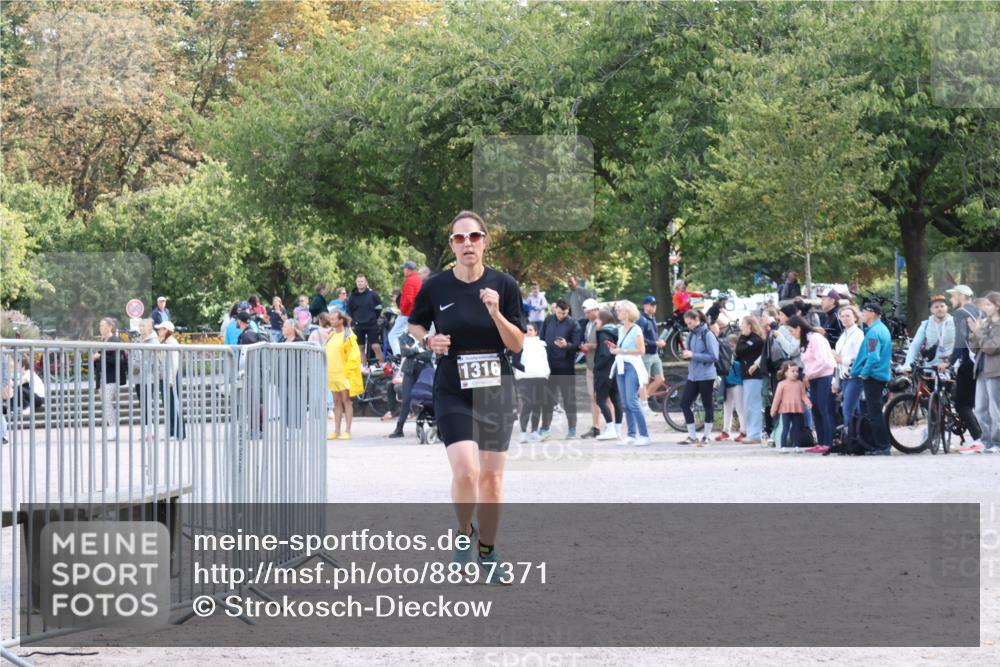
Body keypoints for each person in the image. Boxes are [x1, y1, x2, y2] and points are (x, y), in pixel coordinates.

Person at [407, 210, 526, 584]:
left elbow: (518, 343)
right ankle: (464, 532)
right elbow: (415, 323)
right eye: (460, 239)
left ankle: (488, 551)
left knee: (491, 479)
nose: (468, 244)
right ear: (452, 246)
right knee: (466, 470)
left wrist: (495, 313)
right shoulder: (437, 286)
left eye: (474, 237)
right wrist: (428, 339)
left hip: (496, 388)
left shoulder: (504, 285)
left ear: (485, 240)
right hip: (453, 386)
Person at [941, 285, 985, 451]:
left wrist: (949, 362)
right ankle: (987, 438)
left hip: (969, 363)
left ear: (960, 296)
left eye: (953, 296)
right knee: (980, 402)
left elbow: (961, 340)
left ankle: (979, 439)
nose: (951, 300)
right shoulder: (979, 310)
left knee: (961, 404)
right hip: (984, 361)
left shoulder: (960, 313)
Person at [788, 315, 836, 454]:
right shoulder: (804, 341)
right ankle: (820, 441)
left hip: (825, 376)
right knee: (815, 409)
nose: (791, 334)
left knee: (824, 408)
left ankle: (828, 442)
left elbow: (823, 361)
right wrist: (807, 375)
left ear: (798, 328)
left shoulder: (815, 338)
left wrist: (809, 374)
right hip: (814, 377)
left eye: (792, 331)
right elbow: (807, 362)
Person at [605, 300, 650, 445]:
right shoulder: (620, 329)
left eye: (620, 310)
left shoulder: (636, 329)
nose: (618, 312)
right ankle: (631, 434)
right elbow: (622, 347)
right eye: (617, 310)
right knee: (625, 402)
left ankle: (644, 435)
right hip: (621, 365)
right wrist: (615, 349)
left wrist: (621, 350)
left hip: (632, 366)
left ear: (628, 312)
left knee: (632, 401)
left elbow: (641, 351)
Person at [851, 302, 893, 455]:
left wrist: (864, 373)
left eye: (864, 311)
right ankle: (881, 445)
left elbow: (873, 357)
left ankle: (882, 446)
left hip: (874, 376)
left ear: (872, 313)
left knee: (874, 413)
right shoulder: (882, 329)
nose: (862, 314)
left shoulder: (873, 333)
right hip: (880, 375)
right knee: (876, 412)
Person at [539, 298, 583, 439]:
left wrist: (567, 346)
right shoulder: (548, 320)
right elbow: (541, 339)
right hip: (548, 366)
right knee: (547, 399)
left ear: (568, 311)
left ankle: (572, 428)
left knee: (569, 399)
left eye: (563, 313)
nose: (561, 315)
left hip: (566, 367)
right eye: (558, 312)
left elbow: (577, 345)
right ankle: (545, 428)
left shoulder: (573, 324)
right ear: (555, 309)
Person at [678, 309, 720, 444]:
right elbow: (690, 352)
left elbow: (714, 356)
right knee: (685, 403)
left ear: (697, 320)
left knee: (708, 404)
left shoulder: (708, 334)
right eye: (687, 324)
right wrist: (686, 355)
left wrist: (693, 355)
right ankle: (692, 435)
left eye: (690, 323)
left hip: (706, 375)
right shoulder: (692, 334)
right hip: (693, 375)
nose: (688, 326)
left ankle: (706, 435)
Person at [966, 291, 1000, 453]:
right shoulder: (986, 324)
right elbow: (974, 347)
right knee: (980, 408)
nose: (985, 308)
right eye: (984, 305)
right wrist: (974, 332)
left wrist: (979, 332)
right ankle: (986, 441)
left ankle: (997, 442)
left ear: (997, 306)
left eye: (989, 305)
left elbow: (991, 348)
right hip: (980, 370)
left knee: (995, 409)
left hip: (995, 371)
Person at [388, 331, 434, 439]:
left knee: (427, 397)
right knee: (406, 399)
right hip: (409, 370)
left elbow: (428, 355)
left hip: (425, 369)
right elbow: (405, 352)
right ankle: (399, 429)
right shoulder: (404, 336)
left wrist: (412, 351)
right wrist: (418, 350)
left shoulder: (427, 336)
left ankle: (434, 425)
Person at [326, 310, 363, 440]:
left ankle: (347, 431)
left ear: (341, 320)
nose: (331, 321)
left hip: (343, 373)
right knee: (336, 402)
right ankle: (336, 430)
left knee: (346, 401)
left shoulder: (348, 335)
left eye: (333, 319)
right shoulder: (330, 335)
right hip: (332, 373)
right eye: (330, 319)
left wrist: (349, 371)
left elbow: (354, 354)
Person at [513, 323, 550, 442]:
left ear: (535, 332)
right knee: (527, 404)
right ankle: (523, 432)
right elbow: (515, 362)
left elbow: (544, 361)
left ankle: (534, 431)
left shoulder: (541, 345)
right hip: (525, 379)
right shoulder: (519, 344)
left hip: (540, 378)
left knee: (537, 405)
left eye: (530, 330)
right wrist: (527, 370)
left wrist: (544, 373)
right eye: (526, 330)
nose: (528, 332)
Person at [92, 317, 129, 439]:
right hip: (102, 378)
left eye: (103, 325)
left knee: (107, 403)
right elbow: (99, 361)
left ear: (110, 327)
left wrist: (99, 357)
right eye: (100, 325)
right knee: (105, 404)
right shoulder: (104, 341)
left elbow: (117, 360)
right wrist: (95, 359)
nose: (100, 328)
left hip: (111, 377)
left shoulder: (115, 341)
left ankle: (113, 429)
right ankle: (112, 428)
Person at [592, 309, 623, 440]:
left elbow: (604, 354)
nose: (595, 321)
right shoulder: (616, 332)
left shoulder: (603, 334)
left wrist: (596, 367)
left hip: (604, 372)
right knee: (616, 399)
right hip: (615, 370)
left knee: (600, 400)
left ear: (603, 320)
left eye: (597, 319)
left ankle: (610, 428)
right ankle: (618, 429)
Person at [903, 295, 955, 372]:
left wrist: (951, 361)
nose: (940, 309)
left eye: (942, 306)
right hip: (930, 368)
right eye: (936, 307)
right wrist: (907, 365)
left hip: (950, 367)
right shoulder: (926, 325)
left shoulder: (955, 323)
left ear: (947, 307)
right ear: (931, 310)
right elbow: (915, 346)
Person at [736, 315, 766, 444]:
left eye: (743, 323)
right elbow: (737, 353)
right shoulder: (747, 339)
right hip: (747, 376)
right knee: (748, 405)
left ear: (750, 326)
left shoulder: (756, 340)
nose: (741, 326)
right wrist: (743, 337)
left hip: (755, 376)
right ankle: (751, 432)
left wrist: (743, 337)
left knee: (753, 405)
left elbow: (741, 350)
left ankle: (755, 434)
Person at [832, 304, 865, 425]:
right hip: (843, 377)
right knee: (854, 410)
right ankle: (858, 438)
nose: (845, 318)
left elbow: (860, 358)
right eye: (842, 316)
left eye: (848, 316)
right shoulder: (843, 335)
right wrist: (835, 381)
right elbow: (837, 360)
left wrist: (842, 360)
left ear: (855, 318)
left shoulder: (858, 335)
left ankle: (849, 438)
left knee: (848, 410)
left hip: (855, 377)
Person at [770, 361, 813, 451]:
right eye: (792, 371)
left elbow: (803, 395)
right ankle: (783, 446)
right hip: (786, 409)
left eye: (797, 371)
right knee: (785, 428)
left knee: (796, 428)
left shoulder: (800, 384)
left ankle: (796, 445)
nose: (795, 373)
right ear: (785, 373)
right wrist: (773, 410)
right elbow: (777, 398)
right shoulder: (781, 384)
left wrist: (808, 403)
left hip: (797, 409)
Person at [129, 317, 159, 441]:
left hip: (148, 377)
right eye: (140, 326)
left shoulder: (153, 341)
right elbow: (134, 356)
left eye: (144, 326)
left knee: (147, 404)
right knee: (143, 404)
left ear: (150, 327)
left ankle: (150, 431)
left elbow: (153, 360)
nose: (141, 328)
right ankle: (147, 431)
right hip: (138, 377)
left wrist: (139, 366)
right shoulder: (138, 340)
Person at [154, 321, 185, 441]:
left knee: (173, 405)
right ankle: (173, 432)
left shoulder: (171, 343)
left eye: (160, 329)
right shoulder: (165, 342)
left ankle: (176, 432)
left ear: (166, 330)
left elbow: (174, 364)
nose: (158, 331)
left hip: (170, 377)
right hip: (166, 377)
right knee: (169, 405)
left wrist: (171, 381)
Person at [578, 298, 604, 438]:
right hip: (590, 365)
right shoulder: (588, 324)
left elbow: (607, 344)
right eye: (585, 313)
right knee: (593, 397)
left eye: (588, 312)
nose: (586, 315)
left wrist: (591, 346)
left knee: (605, 398)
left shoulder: (603, 323)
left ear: (595, 310)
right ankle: (596, 427)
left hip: (601, 365)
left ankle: (612, 426)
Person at [638, 296, 667, 417]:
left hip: (654, 353)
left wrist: (659, 341)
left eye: (655, 304)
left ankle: (641, 401)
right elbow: (640, 339)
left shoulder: (652, 318)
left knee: (660, 379)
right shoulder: (641, 320)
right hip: (646, 354)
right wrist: (656, 343)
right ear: (645, 306)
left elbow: (652, 336)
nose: (654, 306)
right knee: (644, 382)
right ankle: (644, 406)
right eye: (652, 304)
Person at [347, 273, 384, 366]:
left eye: (362, 281)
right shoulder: (352, 296)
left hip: (372, 324)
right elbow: (349, 311)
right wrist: (353, 321)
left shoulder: (373, 295)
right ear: (356, 283)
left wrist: (373, 318)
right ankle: (363, 368)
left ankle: (382, 367)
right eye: (358, 281)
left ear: (366, 282)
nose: (360, 283)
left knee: (375, 346)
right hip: (358, 325)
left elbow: (379, 308)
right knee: (360, 347)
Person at [387, 261, 423, 357]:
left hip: (407, 313)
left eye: (404, 268)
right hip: (415, 313)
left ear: (407, 269)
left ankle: (398, 357)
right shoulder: (418, 279)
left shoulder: (410, 280)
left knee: (392, 335)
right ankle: (408, 356)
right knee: (408, 336)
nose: (403, 270)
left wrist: (402, 310)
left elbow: (408, 299)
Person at [716, 334, 746, 442]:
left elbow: (741, 366)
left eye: (732, 346)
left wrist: (732, 361)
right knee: (726, 408)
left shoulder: (740, 354)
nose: (730, 348)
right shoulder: (725, 354)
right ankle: (726, 431)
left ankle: (744, 431)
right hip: (727, 383)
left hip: (738, 383)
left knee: (740, 408)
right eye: (729, 346)